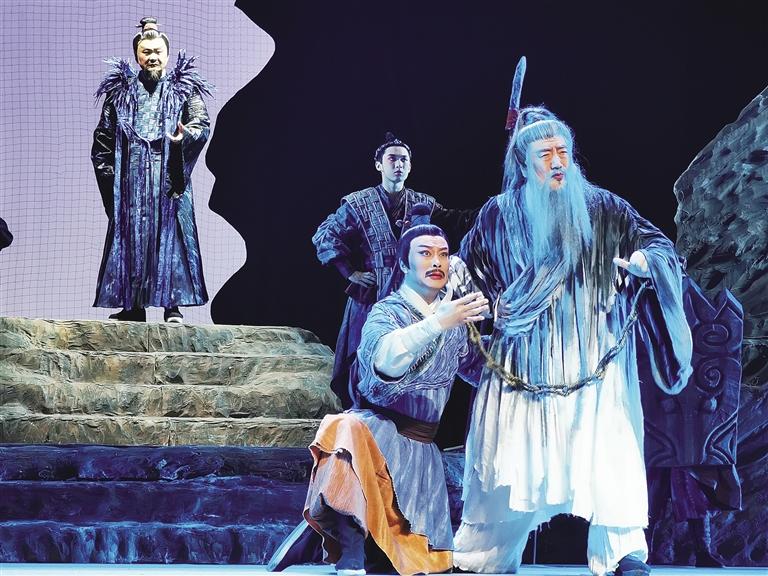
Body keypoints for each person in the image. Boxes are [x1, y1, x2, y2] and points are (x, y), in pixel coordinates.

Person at [452, 63, 693, 576]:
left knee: (608, 454)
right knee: (509, 459)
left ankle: (622, 552)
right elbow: (467, 274)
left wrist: (647, 262)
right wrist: (489, 306)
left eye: (563, 151)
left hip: (594, 360)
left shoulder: (605, 207)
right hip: (522, 363)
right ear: (523, 164)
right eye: (545, 155)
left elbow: (659, 246)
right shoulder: (497, 214)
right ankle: (483, 556)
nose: (559, 162)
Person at [276, 223, 488, 576]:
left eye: (443, 254)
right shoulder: (386, 312)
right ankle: (349, 541)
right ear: (404, 264)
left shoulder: (457, 321)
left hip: (419, 455)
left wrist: (515, 329)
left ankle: (356, 538)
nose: (437, 262)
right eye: (425, 253)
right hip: (377, 435)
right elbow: (384, 361)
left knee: (414, 563)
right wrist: (436, 323)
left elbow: (484, 369)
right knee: (344, 426)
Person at [312, 133, 477, 409]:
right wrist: (350, 273)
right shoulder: (359, 203)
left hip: (409, 297)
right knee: (364, 359)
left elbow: (455, 220)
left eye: (404, 160)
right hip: (371, 297)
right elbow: (326, 235)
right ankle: (360, 417)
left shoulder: (423, 204)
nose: (398, 164)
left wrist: (492, 210)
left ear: (410, 166)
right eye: (392, 159)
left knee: (409, 358)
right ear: (379, 164)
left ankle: (401, 424)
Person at [91, 17, 212, 324]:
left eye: (158, 51)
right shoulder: (120, 93)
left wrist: (184, 137)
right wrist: (111, 180)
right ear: (137, 56)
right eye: (146, 52)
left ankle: (173, 305)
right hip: (131, 176)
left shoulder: (184, 89)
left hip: (167, 173)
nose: (152, 57)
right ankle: (133, 306)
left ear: (167, 55)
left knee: (170, 236)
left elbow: (201, 123)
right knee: (133, 237)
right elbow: (104, 137)